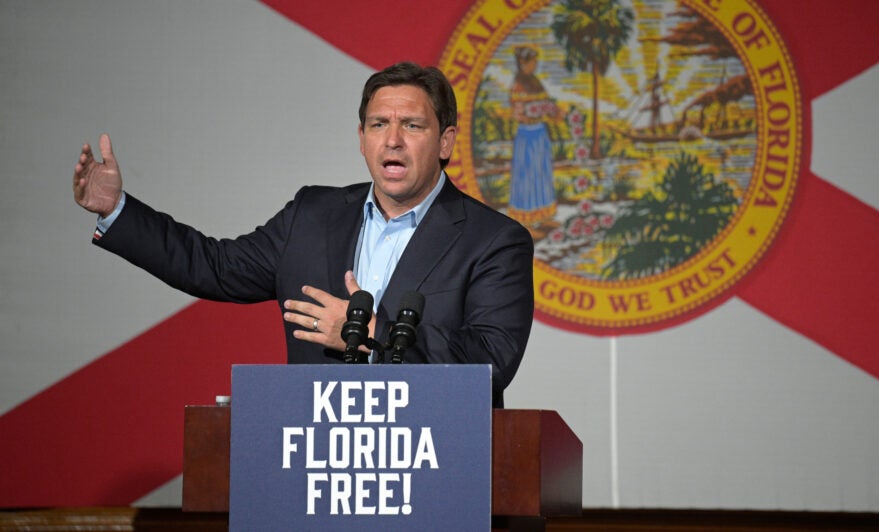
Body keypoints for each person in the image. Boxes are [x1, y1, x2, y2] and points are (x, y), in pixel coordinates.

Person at [72, 62, 534, 407]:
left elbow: (490, 360)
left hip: (432, 463)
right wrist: (117, 210)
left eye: (412, 125)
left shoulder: (493, 241)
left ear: (445, 141)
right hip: (317, 464)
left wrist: (370, 333)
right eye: (379, 124)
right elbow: (212, 266)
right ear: (361, 138)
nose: (393, 139)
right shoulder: (312, 215)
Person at [508, 45, 558, 231]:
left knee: (542, 174)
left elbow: (546, 103)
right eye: (532, 62)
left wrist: (551, 110)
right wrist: (532, 112)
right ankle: (526, 223)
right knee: (527, 177)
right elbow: (517, 113)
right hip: (527, 135)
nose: (535, 65)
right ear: (523, 63)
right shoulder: (518, 85)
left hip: (540, 133)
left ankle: (544, 216)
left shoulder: (536, 82)